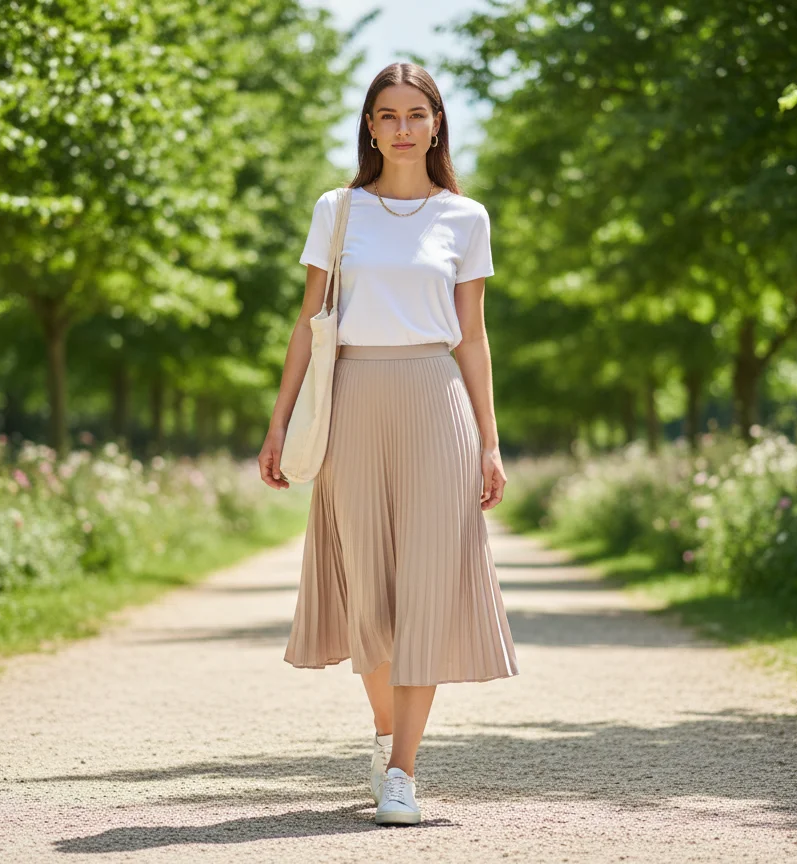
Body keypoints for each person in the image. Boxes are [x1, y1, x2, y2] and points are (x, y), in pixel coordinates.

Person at [258, 62, 519, 827]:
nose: (402, 127)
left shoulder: (466, 218)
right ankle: (384, 735)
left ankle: (402, 770)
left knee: (427, 588)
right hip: (354, 403)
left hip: (439, 403)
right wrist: (278, 424)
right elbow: (308, 327)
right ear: (369, 127)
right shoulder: (338, 211)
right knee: (367, 591)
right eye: (387, 114)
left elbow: (474, 338)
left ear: (437, 122)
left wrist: (491, 443)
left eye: (416, 113)